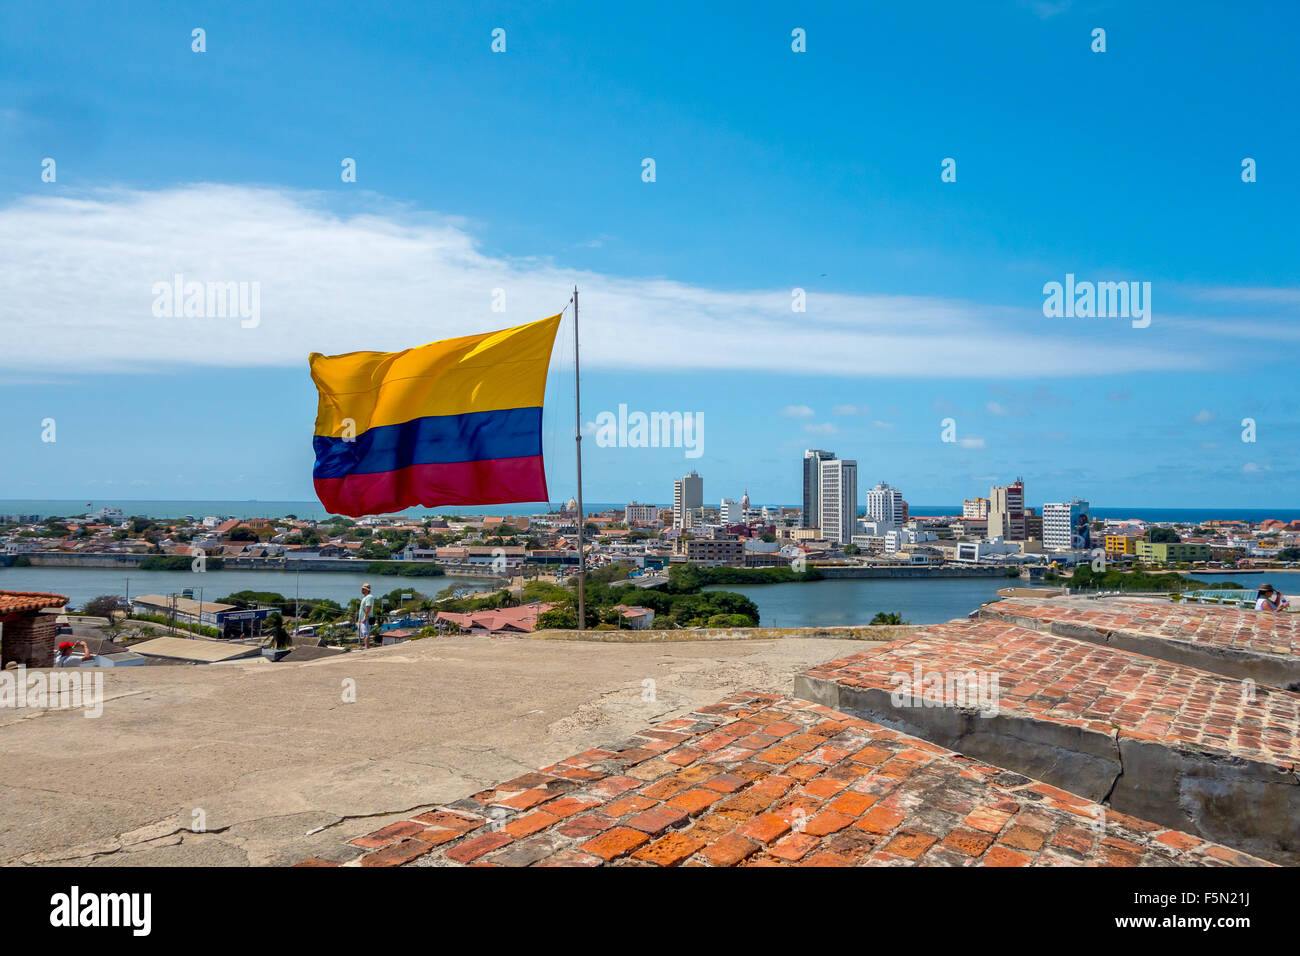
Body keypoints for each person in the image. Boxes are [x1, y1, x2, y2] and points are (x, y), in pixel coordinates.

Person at [358, 583, 375, 649]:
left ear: (368, 590)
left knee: (366, 633)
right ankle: (366, 647)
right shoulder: (365, 597)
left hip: (366, 619)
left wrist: (365, 617)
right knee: (365, 633)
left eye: (364, 589)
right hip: (363, 619)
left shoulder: (369, 597)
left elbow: (369, 607)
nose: (362, 590)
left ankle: (366, 647)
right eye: (362, 589)